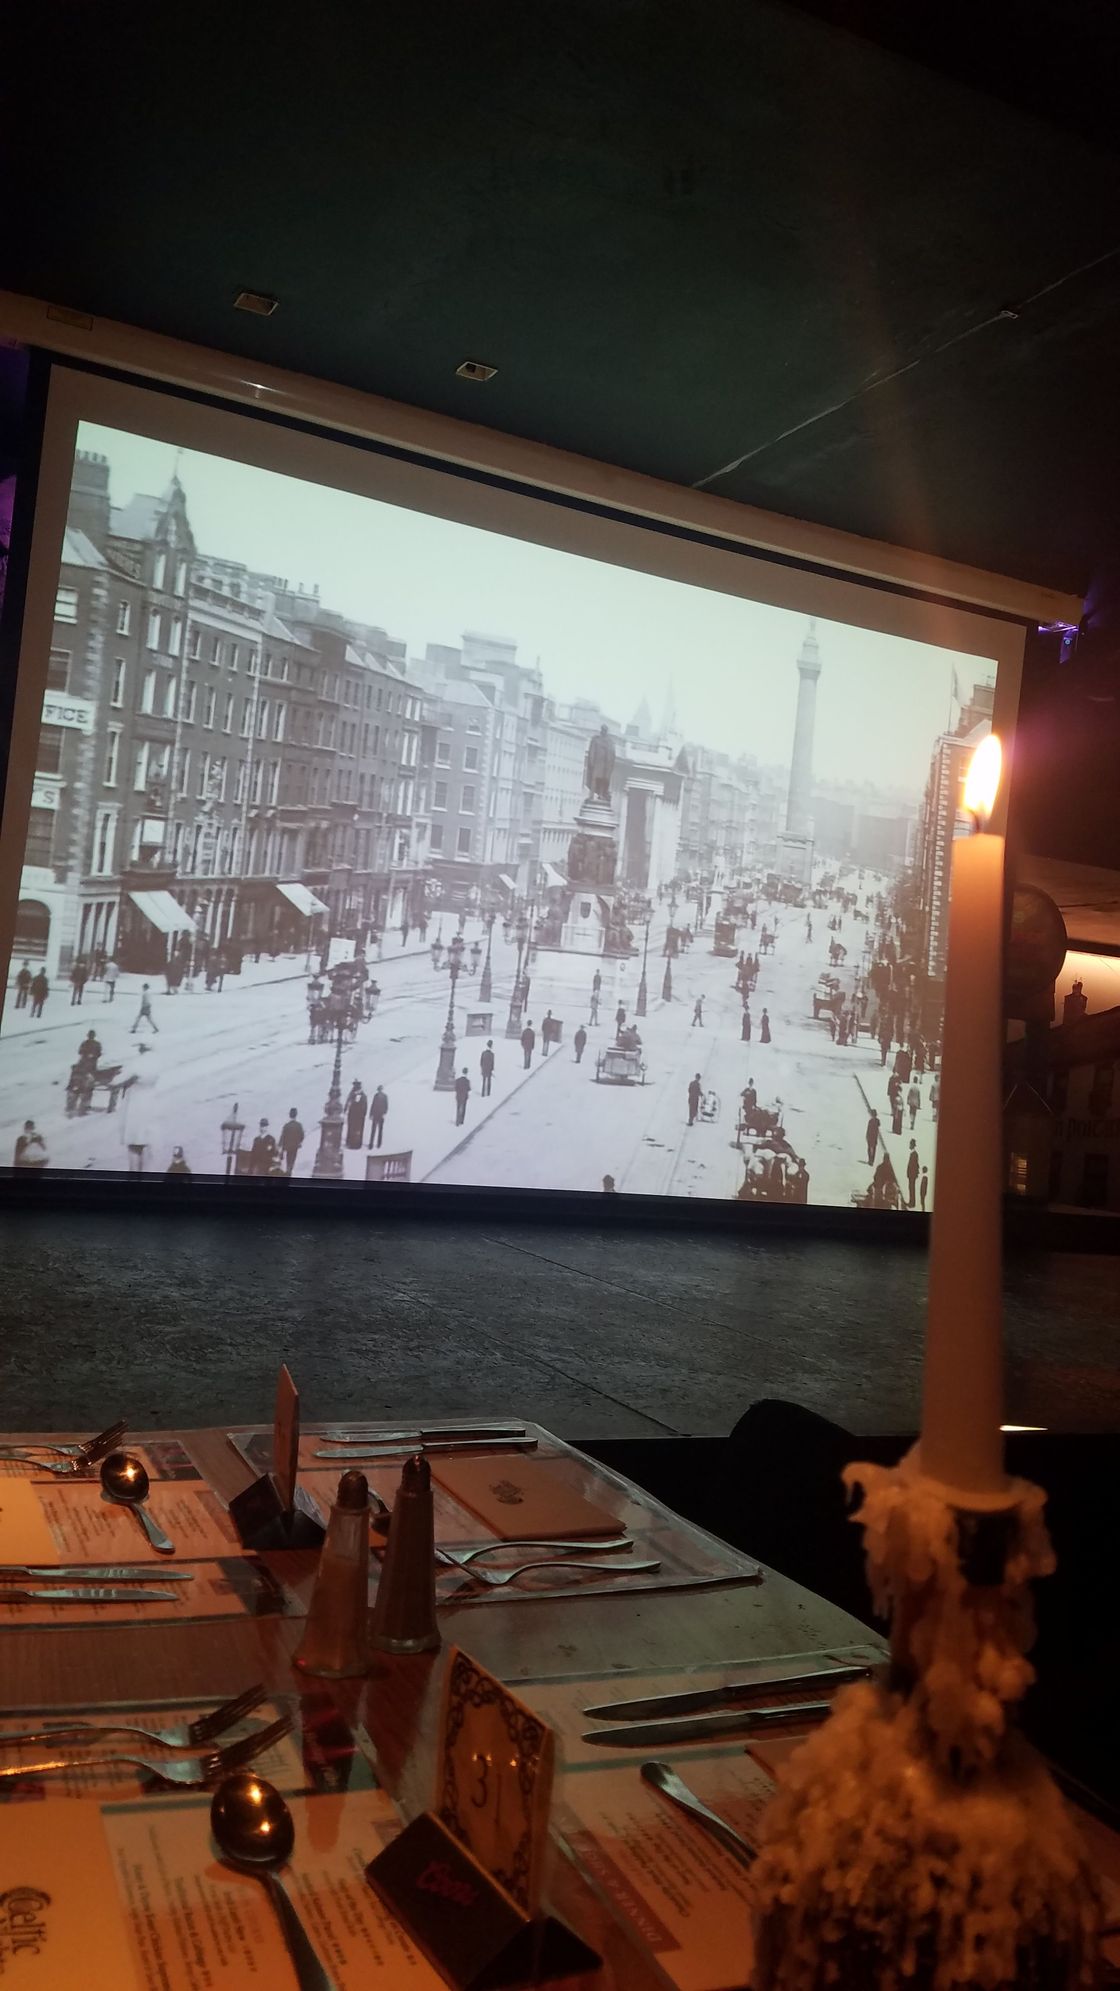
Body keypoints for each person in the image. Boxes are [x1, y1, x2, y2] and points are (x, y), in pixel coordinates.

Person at [278, 1108, 305, 1174]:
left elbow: (282, 1137)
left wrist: (279, 1146)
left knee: (287, 1159)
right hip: (295, 1147)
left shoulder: (286, 1125)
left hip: (287, 1147)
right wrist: (299, 1142)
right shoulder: (299, 1125)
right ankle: (289, 1170)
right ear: (296, 1115)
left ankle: (288, 1170)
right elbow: (302, 1136)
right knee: (292, 1160)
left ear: (290, 1115)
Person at [345, 1081, 368, 1148]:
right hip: (355, 1115)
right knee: (352, 1129)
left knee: (355, 1130)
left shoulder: (358, 1095)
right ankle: (351, 1142)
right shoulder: (354, 1094)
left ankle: (354, 1144)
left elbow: (356, 1104)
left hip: (357, 1116)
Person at [906, 1138, 921, 1210]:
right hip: (912, 1175)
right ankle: (911, 1202)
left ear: (912, 1145)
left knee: (912, 1188)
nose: (909, 1145)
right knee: (911, 1188)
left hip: (912, 1175)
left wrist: (913, 1174)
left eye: (910, 1144)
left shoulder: (914, 1154)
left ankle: (912, 1203)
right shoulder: (913, 1154)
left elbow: (915, 1165)